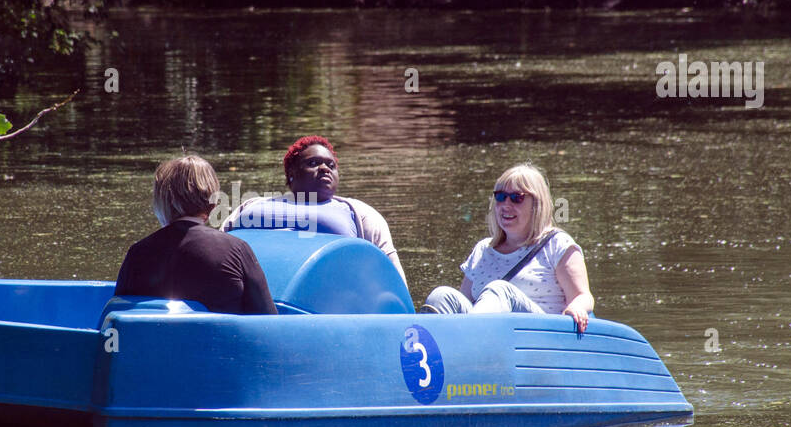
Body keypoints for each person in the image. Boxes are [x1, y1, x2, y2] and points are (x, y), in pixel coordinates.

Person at [423, 163, 593, 332]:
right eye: (500, 196)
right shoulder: (483, 249)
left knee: (500, 290)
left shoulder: (557, 244)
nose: (506, 204)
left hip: (539, 338)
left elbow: (582, 296)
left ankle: (470, 341)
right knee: (442, 296)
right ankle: (430, 351)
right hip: (487, 338)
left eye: (517, 198)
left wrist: (577, 307)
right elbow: (463, 303)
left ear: (537, 204)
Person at [220, 135, 407, 285]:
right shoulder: (250, 206)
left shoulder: (361, 214)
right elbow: (218, 252)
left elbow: (393, 278)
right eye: (313, 163)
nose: (325, 168)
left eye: (331, 165)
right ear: (291, 174)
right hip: (253, 305)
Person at [114, 156, 277, 315]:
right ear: (212, 204)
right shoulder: (236, 250)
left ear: (160, 202)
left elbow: (117, 314)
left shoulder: (138, 253)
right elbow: (269, 321)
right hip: (218, 341)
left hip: (156, 341)